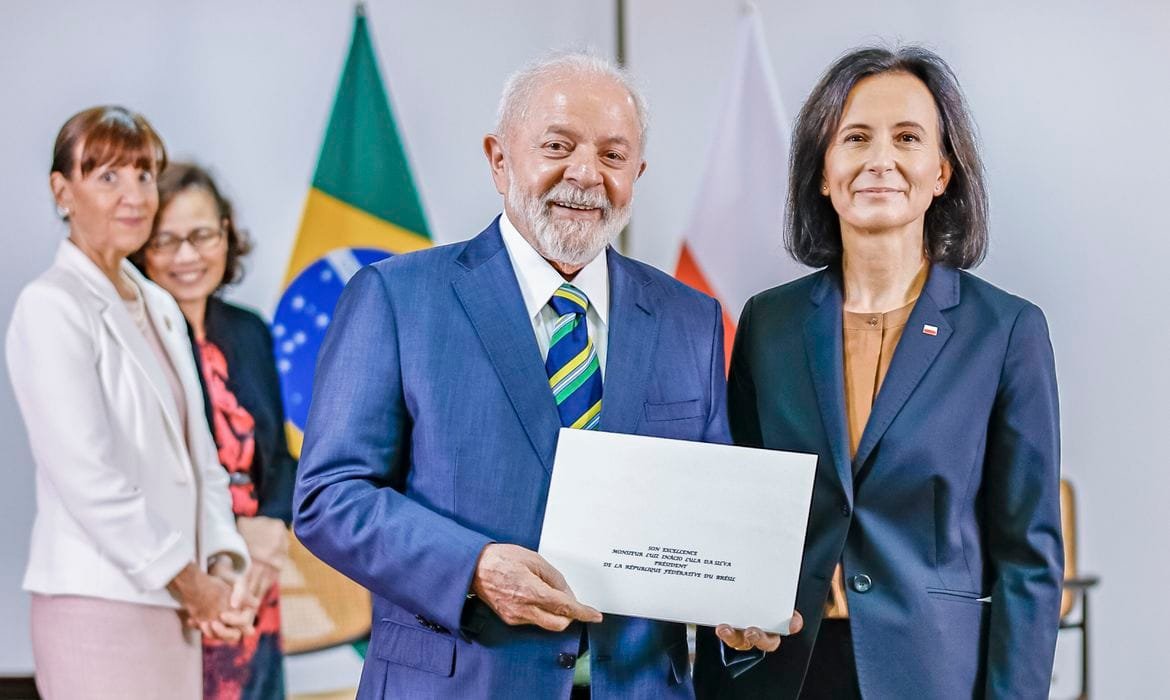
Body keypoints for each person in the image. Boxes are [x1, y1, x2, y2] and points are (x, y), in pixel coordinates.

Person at [293, 53, 788, 699]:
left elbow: (710, 506)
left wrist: (737, 602)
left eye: (613, 155)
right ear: (499, 159)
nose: (585, 174)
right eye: (557, 146)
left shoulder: (690, 319)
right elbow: (330, 496)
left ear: (636, 174)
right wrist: (472, 568)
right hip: (459, 682)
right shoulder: (396, 296)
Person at [694, 46, 1063, 699]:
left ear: (942, 172)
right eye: (856, 137)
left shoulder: (1006, 331)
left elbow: (1028, 562)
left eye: (907, 138)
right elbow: (739, 510)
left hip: (931, 673)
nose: (879, 159)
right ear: (823, 171)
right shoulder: (768, 324)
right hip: (782, 668)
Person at [6, 106, 256, 699]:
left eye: (144, 175)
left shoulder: (158, 304)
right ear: (62, 191)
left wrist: (221, 567)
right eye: (108, 176)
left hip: (177, 605)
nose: (135, 195)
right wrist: (191, 584)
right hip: (98, 602)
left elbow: (202, 460)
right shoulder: (51, 305)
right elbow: (87, 477)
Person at [132, 162, 295, 700]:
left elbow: (280, 458)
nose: (187, 256)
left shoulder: (248, 330)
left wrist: (270, 526)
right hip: (185, 580)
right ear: (141, 248)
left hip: (257, 577)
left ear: (226, 234)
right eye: (165, 240)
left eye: (201, 235)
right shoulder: (135, 339)